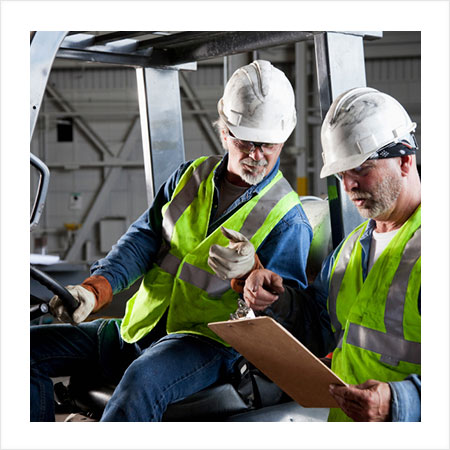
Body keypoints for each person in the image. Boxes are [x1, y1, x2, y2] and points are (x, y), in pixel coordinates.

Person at [30, 60, 313, 421]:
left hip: (205, 344)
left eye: (268, 144)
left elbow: (286, 316)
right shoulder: (189, 177)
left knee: (142, 381)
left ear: (284, 137)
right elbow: (143, 240)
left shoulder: (289, 220)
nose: (257, 155)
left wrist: (253, 277)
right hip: (141, 327)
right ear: (225, 132)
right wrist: (96, 289)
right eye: (247, 141)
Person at [230, 87, 421, 422]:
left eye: (361, 168)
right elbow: (319, 327)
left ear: (405, 160)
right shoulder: (350, 249)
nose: (348, 185)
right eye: (341, 174)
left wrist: (401, 400)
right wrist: (279, 299)